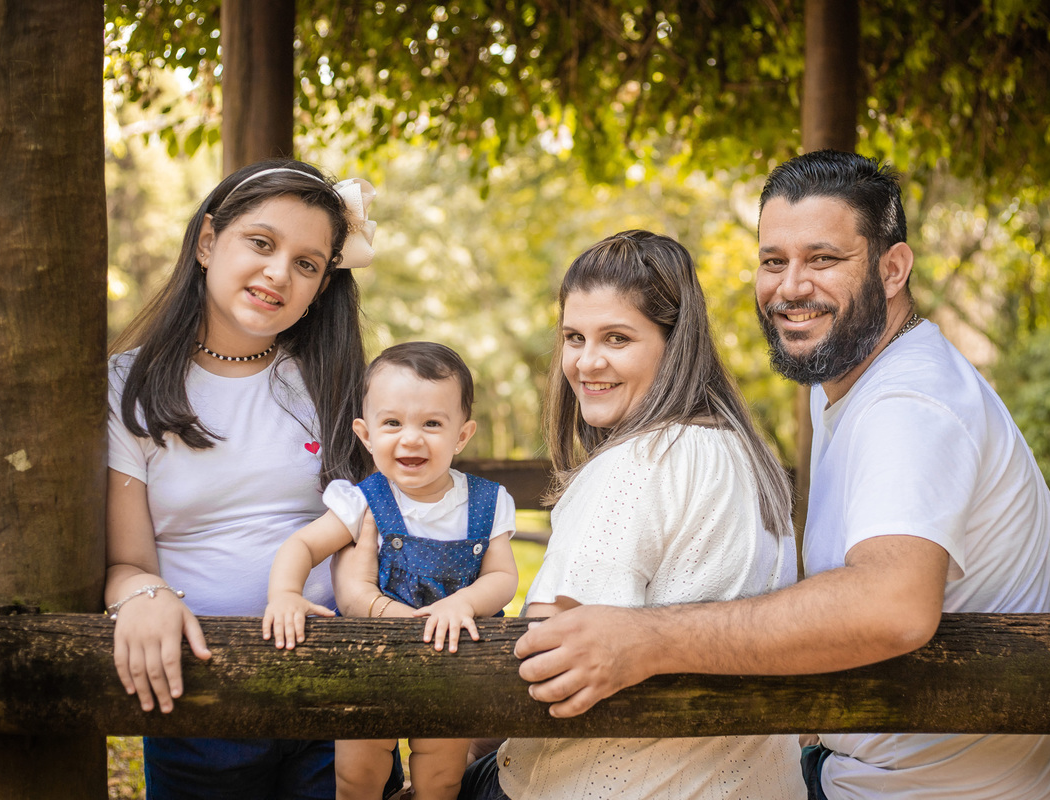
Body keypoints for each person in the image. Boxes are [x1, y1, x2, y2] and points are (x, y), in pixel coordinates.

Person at [513, 152, 1050, 799]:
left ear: (892, 269)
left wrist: (645, 639)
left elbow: (891, 607)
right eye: (772, 261)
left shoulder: (911, 404)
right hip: (863, 768)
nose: (790, 287)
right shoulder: (840, 386)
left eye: (823, 260)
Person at [457, 230, 804, 800]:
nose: (586, 362)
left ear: (675, 344)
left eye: (616, 338)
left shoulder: (636, 464)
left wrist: (458, 756)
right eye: (574, 337)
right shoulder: (750, 454)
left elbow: (542, 660)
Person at [105, 160, 380, 799]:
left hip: (338, 687)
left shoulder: (335, 384)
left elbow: (377, 525)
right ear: (207, 243)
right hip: (201, 693)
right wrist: (144, 594)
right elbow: (126, 562)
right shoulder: (128, 387)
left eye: (308, 263)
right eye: (261, 243)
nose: (279, 273)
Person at [264, 341, 519, 800]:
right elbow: (302, 544)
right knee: (358, 776)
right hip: (369, 661)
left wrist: (461, 603)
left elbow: (502, 578)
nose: (411, 438)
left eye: (432, 423)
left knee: (440, 778)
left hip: (449, 664)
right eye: (393, 423)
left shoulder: (486, 501)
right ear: (365, 433)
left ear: (462, 435)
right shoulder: (363, 500)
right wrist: (285, 593)